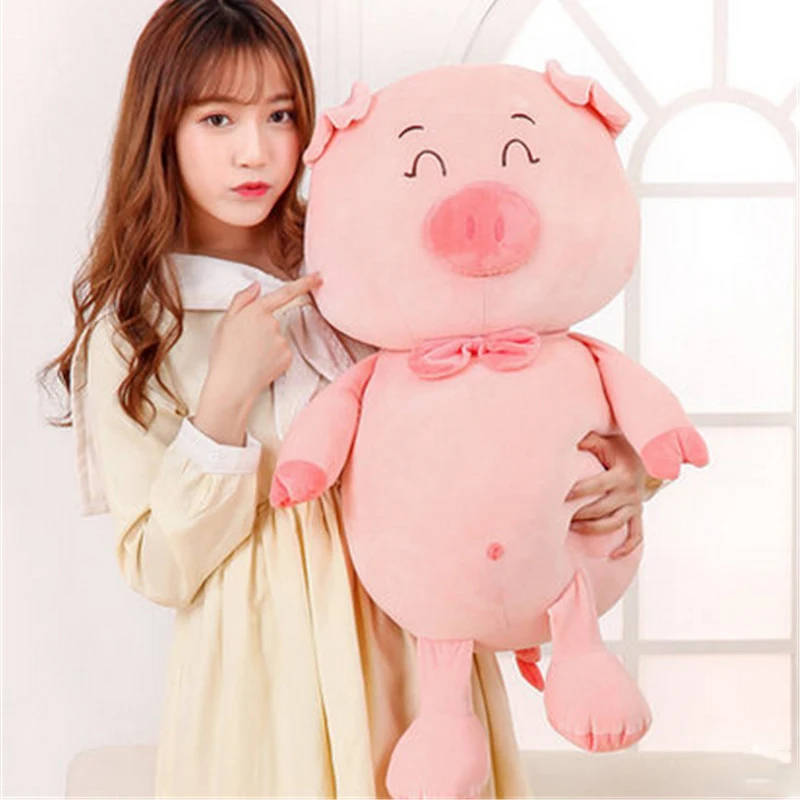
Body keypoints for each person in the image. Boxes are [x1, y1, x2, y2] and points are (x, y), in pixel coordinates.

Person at [39, 0, 664, 796]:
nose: (255, 151)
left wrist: (622, 467)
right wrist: (224, 402)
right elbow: (158, 568)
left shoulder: (376, 257)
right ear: (161, 129)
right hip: (265, 688)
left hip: (422, 664)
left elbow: (517, 399)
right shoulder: (136, 330)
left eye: (279, 114)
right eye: (218, 120)